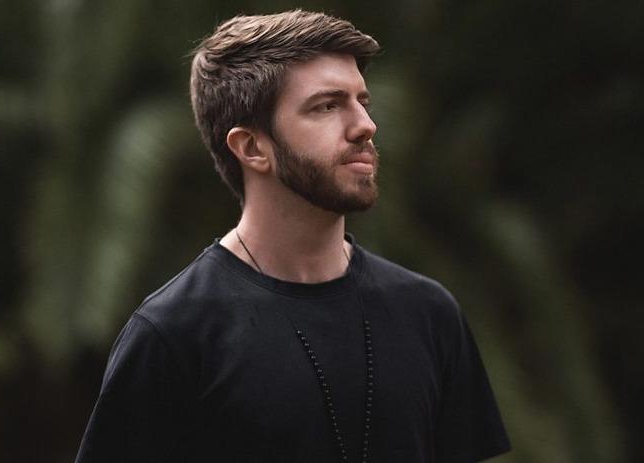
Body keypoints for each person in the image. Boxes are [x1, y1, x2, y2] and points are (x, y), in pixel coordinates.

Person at [75, 9, 511, 463]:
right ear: (251, 148)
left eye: (363, 101)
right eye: (327, 105)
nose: (365, 125)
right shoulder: (174, 334)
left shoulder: (429, 313)